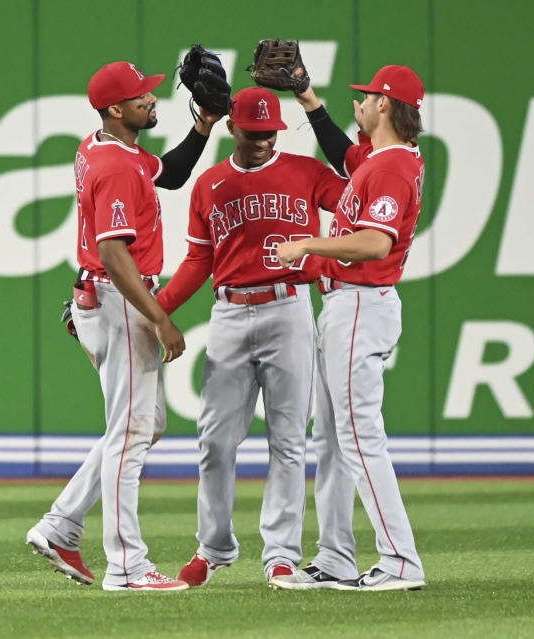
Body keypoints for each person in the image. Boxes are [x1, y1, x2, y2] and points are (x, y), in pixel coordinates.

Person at [26, 60, 222, 592]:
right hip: (120, 295)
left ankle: (61, 524)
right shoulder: (114, 165)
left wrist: (202, 125)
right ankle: (128, 566)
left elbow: (172, 173)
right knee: (132, 433)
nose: (152, 100)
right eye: (142, 97)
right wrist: (159, 318)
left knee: (142, 424)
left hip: (106, 296)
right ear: (115, 109)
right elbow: (114, 253)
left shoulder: (109, 147)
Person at [155, 87, 346, 588]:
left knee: (287, 440)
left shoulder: (307, 172)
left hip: (289, 308)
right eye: (253, 131)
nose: (262, 140)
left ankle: (280, 554)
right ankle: (214, 548)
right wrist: (157, 311)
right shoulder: (210, 183)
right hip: (230, 313)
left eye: (269, 133)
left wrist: (313, 104)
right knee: (215, 440)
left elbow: (356, 193)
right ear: (231, 128)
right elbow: (199, 261)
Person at [273, 65, 427, 591]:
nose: (357, 102)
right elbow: (344, 153)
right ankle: (336, 556)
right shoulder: (381, 159)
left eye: (365, 97)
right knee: (333, 442)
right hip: (346, 305)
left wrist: (307, 244)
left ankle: (400, 562)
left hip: (361, 302)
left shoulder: (393, 168)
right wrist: (307, 97)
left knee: (360, 438)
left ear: (385, 105)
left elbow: (375, 243)